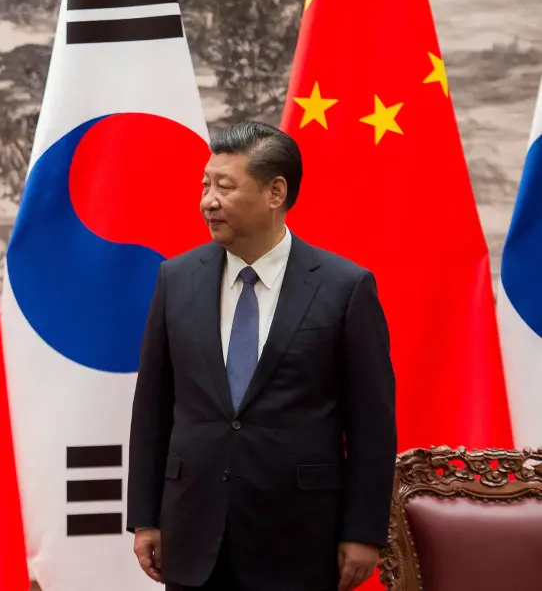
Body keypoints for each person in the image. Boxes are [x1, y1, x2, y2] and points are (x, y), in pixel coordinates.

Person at [127, 121, 396, 591]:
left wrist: (363, 531)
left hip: (299, 539)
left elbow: (372, 424)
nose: (207, 200)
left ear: (275, 192)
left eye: (224, 187)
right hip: (192, 533)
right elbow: (152, 408)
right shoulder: (176, 278)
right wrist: (145, 516)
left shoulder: (344, 288)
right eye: (205, 184)